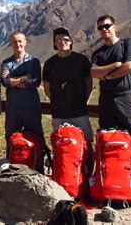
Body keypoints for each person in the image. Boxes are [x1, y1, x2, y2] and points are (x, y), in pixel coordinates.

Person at [90, 15, 131, 171]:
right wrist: (116, 65)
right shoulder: (98, 53)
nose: (104, 29)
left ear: (114, 26)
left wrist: (107, 76)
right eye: (100, 27)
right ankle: (111, 174)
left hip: (125, 96)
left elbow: (130, 66)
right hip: (106, 98)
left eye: (107, 26)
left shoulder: (127, 44)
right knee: (107, 135)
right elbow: (93, 72)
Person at [43, 27, 94, 173]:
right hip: (59, 112)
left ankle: (88, 174)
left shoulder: (81, 60)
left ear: (71, 41)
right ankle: (64, 175)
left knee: (87, 143)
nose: (62, 42)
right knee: (60, 144)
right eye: (58, 40)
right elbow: (47, 87)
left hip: (79, 110)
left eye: (65, 40)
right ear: (54, 43)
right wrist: (56, 101)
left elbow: (89, 84)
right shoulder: (49, 63)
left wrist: (84, 101)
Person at [1, 31, 43, 157]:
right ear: (10, 44)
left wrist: (14, 81)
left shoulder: (34, 61)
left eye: (20, 41)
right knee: (11, 137)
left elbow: (34, 82)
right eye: (14, 41)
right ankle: (11, 164)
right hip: (13, 108)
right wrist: (25, 78)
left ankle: (38, 164)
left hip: (31, 107)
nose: (17, 44)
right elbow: (5, 81)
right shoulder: (6, 63)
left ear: (25, 42)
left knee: (37, 137)